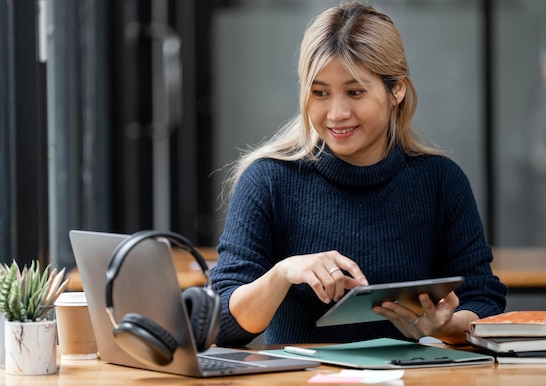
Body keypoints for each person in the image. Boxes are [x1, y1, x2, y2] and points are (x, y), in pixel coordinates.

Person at [210, 1, 507, 347]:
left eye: (355, 92)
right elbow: (222, 325)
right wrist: (282, 273)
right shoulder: (269, 181)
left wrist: (446, 327)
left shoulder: (441, 181)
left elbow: (483, 303)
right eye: (320, 93)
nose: (336, 113)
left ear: (396, 89)